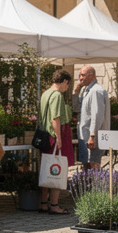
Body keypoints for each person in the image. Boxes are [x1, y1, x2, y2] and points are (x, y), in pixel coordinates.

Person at [37, 70, 73, 214]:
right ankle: (54, 205)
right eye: (67, 85)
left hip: (45, 136)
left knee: (46, 168)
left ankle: (43, 202)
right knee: (57, 168)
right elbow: (55, 118)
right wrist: (59, 138)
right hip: (55, 135)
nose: (67, 88)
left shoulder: (45, 93)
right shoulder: (57, 95)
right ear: (64, 81)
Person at [75, 65, 109, 170]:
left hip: (92, 137)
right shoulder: (86, 90)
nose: (80, 78)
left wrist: (92, 135)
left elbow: (97, 115)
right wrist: (76, 92)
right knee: (86, 165)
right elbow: (76, 108)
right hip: (84, 135)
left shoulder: (96, 91)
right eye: (79, 75)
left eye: (82, 75)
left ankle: (96, 182)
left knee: (93, 164)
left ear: (91, 76)